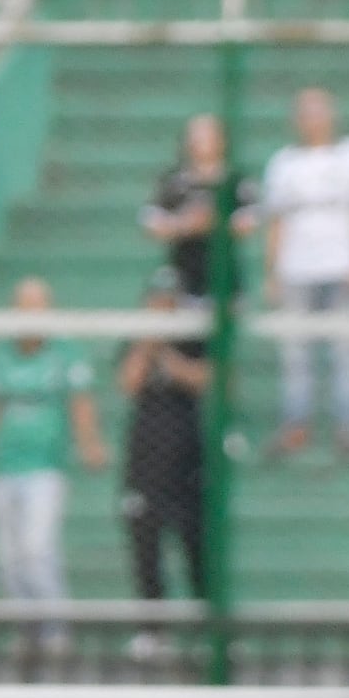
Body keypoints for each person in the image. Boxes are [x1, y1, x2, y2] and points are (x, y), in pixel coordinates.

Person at [0, 277, 107, 651]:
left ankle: (56, 629)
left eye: (38, 306)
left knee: (37, 549)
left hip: (45, 468)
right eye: (24, 306)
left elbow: (81, 403)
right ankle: (25, 627)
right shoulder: (1, 355)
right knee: (7, 558)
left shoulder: (65, 354)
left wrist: (90, 444)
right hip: (5, 467)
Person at [256, 88, 349, 455]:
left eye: (318, 111)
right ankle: (296, 424)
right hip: (297, 268)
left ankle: (347, 425)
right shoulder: (284, 163)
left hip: (340, 265)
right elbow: (277, 222)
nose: (312, 119)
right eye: (305, 113)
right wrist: (272, 272)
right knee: (295, 351)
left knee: (345, 348)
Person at [118, 268, 210, 655]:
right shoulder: (134, 340)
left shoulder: (192, 339)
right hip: (145, 458)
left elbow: (207, 379)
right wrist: (148, 344)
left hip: (187, 455)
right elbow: (128, 383)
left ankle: (211, 628)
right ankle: (153, 630)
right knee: (145, 545)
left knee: (197, 545)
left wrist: (169, 355)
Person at [141, 113, 249, 304]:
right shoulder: (174, 181)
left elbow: (249, 222)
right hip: (183, 278)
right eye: (196, 137)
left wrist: (215, 222)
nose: (201, 142)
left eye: (208, 136)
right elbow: (151, 223)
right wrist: (185, 224)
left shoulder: (234, 181)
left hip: (226, 278)